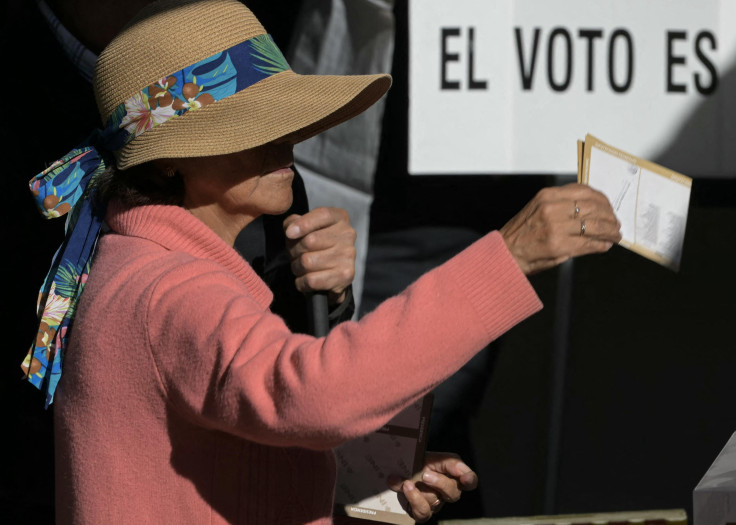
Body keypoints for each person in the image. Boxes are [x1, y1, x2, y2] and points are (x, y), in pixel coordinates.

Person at [23, 1, 622, 523]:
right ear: (169, 161)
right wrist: (508, 259)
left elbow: (218, 463)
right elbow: (311, 396)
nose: (288, 139)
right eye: (254, 125)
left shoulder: (149, 265)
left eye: (289, 118)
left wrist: (355, 480)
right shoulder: (167, 289)